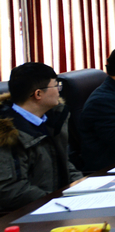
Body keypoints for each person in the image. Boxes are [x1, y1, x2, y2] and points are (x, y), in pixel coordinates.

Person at [0, 63, 83, 211]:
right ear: (38, 94)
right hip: (29, 213)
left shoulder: (53, 119)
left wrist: (82, 187)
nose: (58, 91)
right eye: (56, 86)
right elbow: (12, 191)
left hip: (58, 204)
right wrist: (58, 201)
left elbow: (64, 164)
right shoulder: (8, 134)